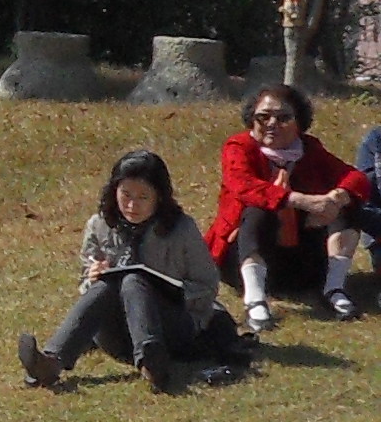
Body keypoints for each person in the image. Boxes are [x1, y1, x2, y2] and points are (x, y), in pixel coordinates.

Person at [21, 149, 242, 393]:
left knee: (133, 281)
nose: (132, 205)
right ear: (113, 190)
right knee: (110, 284)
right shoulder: (99, 225)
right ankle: (51, 362)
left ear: (159, 197)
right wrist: (92, 277)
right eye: (125, 195)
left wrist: (168, 291)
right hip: (117, 336)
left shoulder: (182, 229)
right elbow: (86, 281)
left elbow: (207, 284)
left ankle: (152, 361)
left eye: (143, 197)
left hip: (172, 329)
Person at [210, 85, 373, 336]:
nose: (271, 124)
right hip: (243, 257)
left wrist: (337, 197)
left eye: (283, 117)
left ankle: (334, 289)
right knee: (258, 210)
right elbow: (243, 185)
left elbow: (355, 177)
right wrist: (301, 201)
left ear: (299, 122)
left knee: (347, 207)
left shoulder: (309, 149)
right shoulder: (239, 147)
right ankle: (255, 301)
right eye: (263, 117)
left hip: (301, 261)